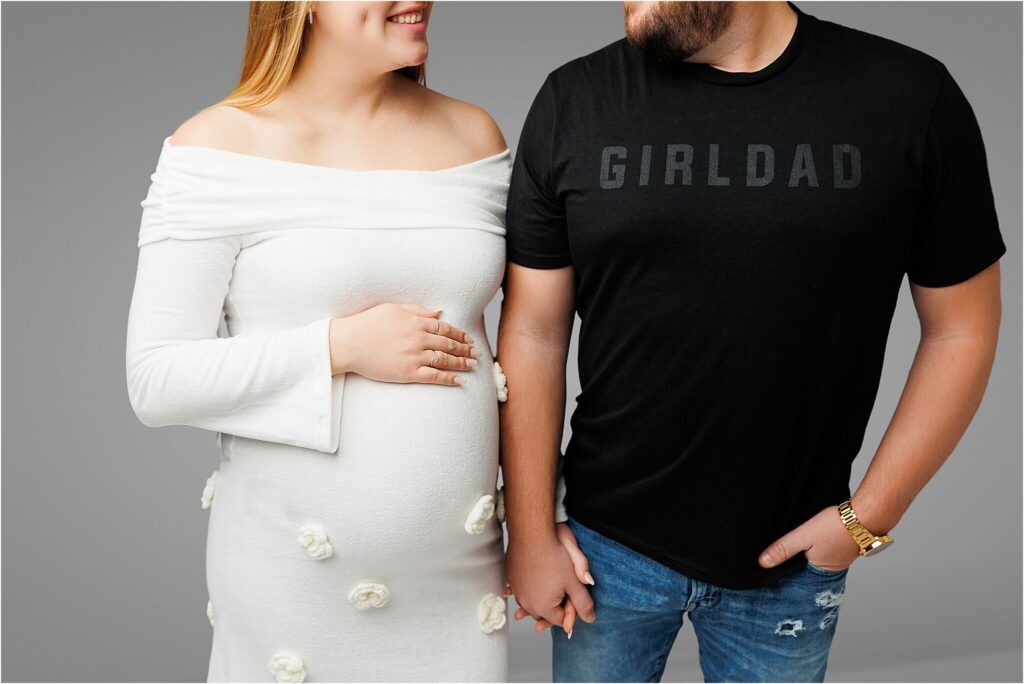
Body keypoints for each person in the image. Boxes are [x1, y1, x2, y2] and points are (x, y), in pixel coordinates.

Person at [497, 1, 1005, 681]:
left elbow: (962, 326)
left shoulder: (910, 98)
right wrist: (529, 536)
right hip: (602, 551)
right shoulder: (576, 99)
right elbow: (534, 334)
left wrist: (865, 519)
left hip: (790, 555)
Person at [125, 2, 515, 681]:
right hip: (290, 582)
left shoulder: (472, 134)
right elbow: (155, 379)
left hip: (460, 580)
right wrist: (339, 348)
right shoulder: (217, 148)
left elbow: (526, 343)